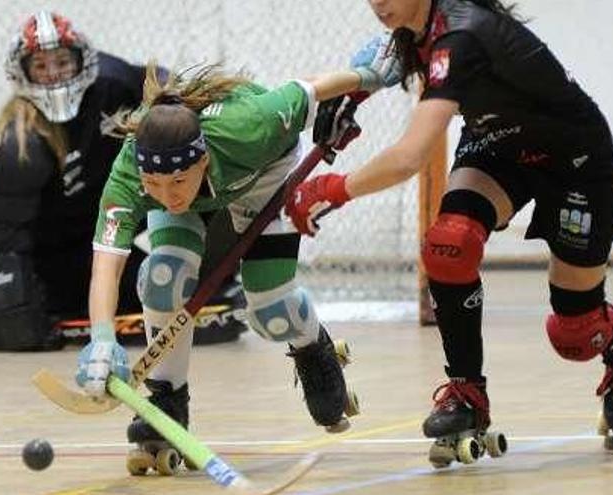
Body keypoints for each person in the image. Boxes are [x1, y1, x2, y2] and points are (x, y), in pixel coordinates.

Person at [287, 0, 613, 450]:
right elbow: (360, 72)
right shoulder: (409, 29)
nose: (378, 2)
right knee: (448, 244)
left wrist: (331, 190)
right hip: (497, 149)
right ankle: (466, 393)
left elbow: (410, 157)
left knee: (575, 333)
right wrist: (341, 97)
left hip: (576, 162)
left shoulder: (464, 35)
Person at [73, 61, 394, 466]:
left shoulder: (252, 126)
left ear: (202, 160)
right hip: (205, 196)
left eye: (176, 181)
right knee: (161, 277)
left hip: (262, 176)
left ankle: (314, 348)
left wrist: (373, 73)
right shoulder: (132, 174)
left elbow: (309, 88)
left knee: (272, 312)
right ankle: (167, 400)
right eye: (152, 184)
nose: (166, 194)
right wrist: (102, 337)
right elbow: (106, 262)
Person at [0, 11, 245, 350]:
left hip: (122, 207)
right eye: (41, 66)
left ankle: (220, 278)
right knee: (151, 287)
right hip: (65, 248)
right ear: (23, 73)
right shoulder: (15, 145)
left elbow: (164, 86)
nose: (54, 74)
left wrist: (181, 114)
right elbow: (10, 237)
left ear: (81, 60)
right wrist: (31, 300)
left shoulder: (111, 81)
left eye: (61, 62)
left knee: (196, 173)